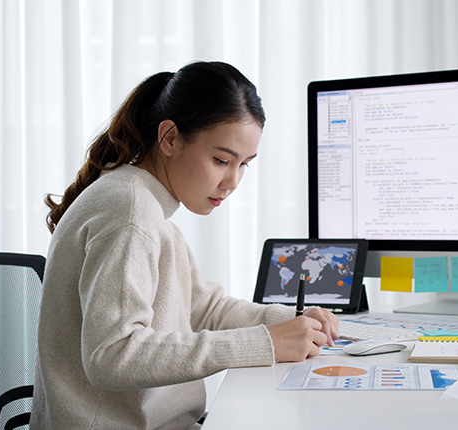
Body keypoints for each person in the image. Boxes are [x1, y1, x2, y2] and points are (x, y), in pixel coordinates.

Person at [30, 61, 339, 430]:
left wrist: (289, 322)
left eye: (245, 165)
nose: (233, 181)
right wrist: (263, 343)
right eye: (222, 160)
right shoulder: (130, 211)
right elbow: (112, 354)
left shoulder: (147, 208)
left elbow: (205, 309)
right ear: (170, 138)